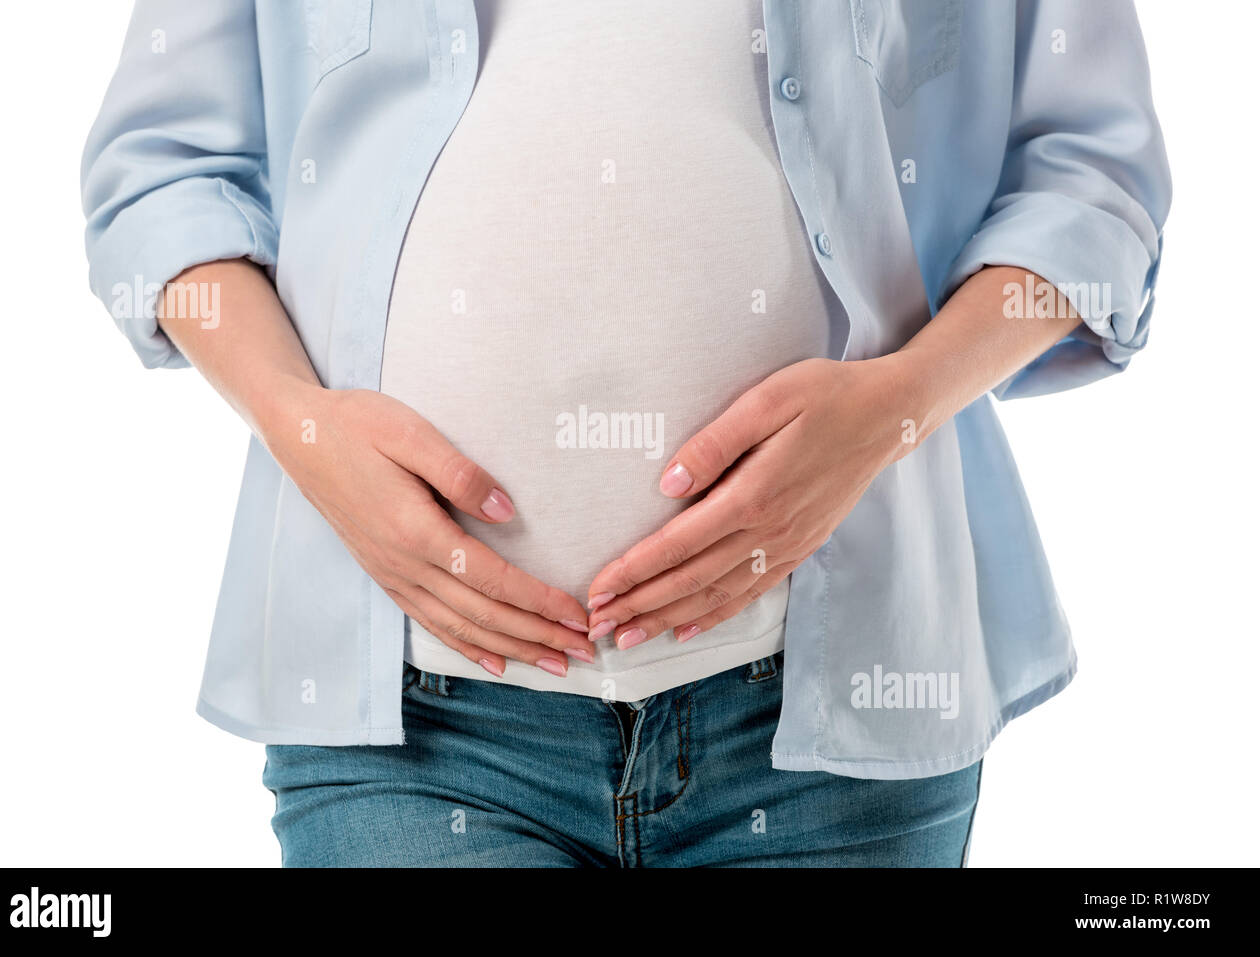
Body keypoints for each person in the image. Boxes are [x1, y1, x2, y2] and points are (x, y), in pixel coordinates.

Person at [81, 0, 1171, 867]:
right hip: (413, 720)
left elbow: (1089, 175)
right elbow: (162, 177)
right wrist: (301, 428)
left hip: (836, 717)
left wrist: (899, 405)